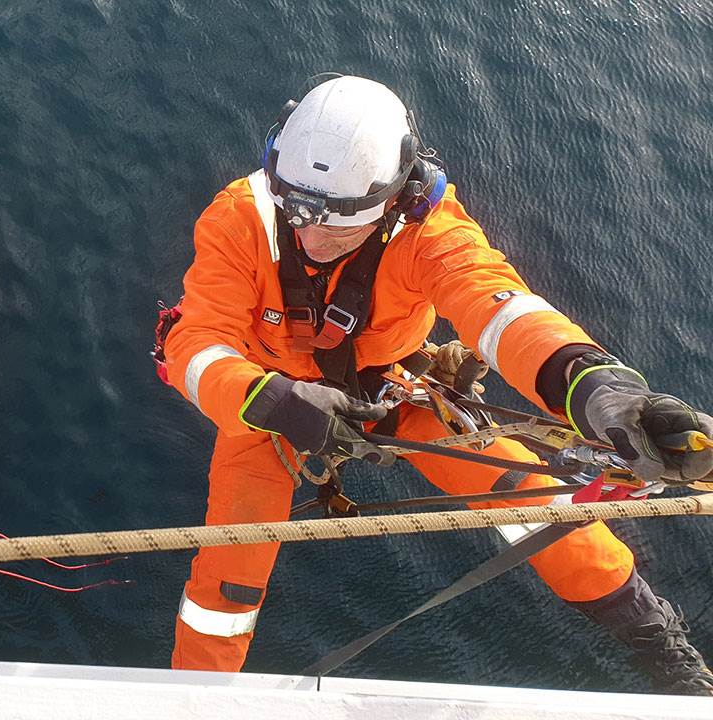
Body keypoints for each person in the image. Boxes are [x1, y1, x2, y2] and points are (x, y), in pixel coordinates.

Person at [161, 73, 713, 694]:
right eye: (298, 211)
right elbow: (195, 346)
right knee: (226, 585)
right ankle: (195, 702)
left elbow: (502, 311)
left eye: (339, 225)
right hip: (270, 405)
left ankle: (663, 652)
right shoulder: (240, 218)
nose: (312, 238)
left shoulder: (432, 232)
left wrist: (593, 385)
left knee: (542, 510)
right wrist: (270, 398)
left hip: (395, 388)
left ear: (391, 203)